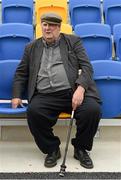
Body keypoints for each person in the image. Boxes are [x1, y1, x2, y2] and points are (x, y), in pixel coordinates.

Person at [11, 12, 101, 169]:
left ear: (59, 27)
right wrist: (17, 95)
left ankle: (80, 148)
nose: (47, 29)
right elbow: (21, 73)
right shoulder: (31, 47)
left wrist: (80, 88)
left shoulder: (73, 42)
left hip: (72, 92)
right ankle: (52, 149)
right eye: (44, 25)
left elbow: (87, 67)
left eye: (51, 25)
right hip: (45, 95)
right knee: (34, 112)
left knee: (92, 110)